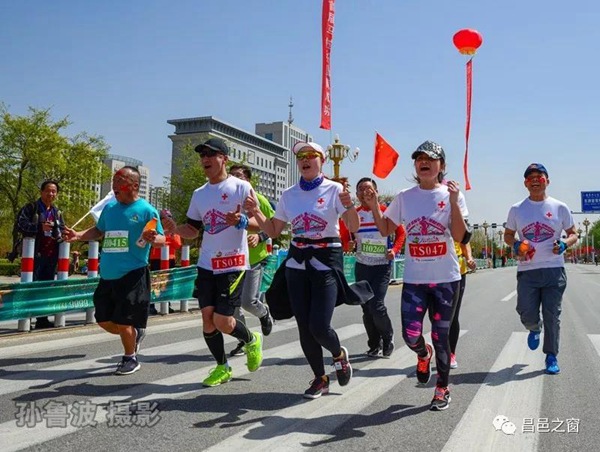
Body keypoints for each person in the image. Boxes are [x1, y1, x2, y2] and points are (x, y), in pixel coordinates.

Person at [243, 141, 371, 400]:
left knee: (319, 326)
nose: (305, 159)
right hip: (297, 263)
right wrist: (255, 211)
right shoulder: (289, 194)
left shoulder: (335, 189)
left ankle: (338, 355)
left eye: (311, 155)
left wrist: (349, 206)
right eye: (301, 156)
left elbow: (353, 226)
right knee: (304, 326)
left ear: (322, 161)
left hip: (325, 261)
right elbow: (274, 230)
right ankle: (320, 378)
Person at [364, 140, 468, 411]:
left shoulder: (451, 194)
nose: (424, 163)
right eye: (420, 159)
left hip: (446, 279)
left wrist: (454, 203)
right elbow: (386, 229)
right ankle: (423, 354)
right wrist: (374, 206)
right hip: (415, 281)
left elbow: (460, 236)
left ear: (441, 165)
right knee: (411, 335)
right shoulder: (404, 197)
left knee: (441, 336)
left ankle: (442, 388)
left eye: (430, 159)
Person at [162, 138, 264, 387]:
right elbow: (192, 229)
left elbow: (261, 223)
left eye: (211, 154)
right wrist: (175, 229)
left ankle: (252, 339)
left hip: (233, 264)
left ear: (224, 159)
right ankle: (222, 367)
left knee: (222, 321)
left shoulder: (241, 187)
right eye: (202, 155)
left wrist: (241, 221)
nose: (205, 159)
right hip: (207, 263)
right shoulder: (199, 194)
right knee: (207, 318)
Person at [64, 166, 165, 375]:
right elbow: (98, 230)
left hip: (132, 273)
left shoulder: (146, 210)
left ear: (134, 185)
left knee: (124, 320)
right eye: (114, 181)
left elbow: (162, 239)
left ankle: (130, 358)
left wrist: (154, 238)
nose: (114, 185)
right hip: (108, 275)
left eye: (120, 181)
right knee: (103, 319)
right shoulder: (110, 208)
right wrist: (78, 235)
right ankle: (135, 334)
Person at [503, 163, 577, 375]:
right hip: (527, 270)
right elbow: (508, 235)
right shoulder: (517, 209)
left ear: (547, 181)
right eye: (531, 178)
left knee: (552, 315)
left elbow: (573, 233)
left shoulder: (560, 207)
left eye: (540, 177)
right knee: (526, 312)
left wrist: (564, 244)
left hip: (554, 270)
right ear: (525, 183)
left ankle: (551, 355)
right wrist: (516, 244)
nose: (535, 181)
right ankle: (534, 327)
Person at [340, 177, 406, 358]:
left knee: (376, 305)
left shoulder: (385, 211)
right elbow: (344, 238)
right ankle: (374, 344)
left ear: (376, 192)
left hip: (382, 267)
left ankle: (388, 337)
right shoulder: (354, 214)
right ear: (357, 194)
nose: (365, 192)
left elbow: (401, 233)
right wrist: (348, 245)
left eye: (368, 189)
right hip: (362, 266)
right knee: (366, 307)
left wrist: (394, 250)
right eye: (361, 189)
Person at [228, 164, 275, 357]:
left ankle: (264, 313)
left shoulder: (259, 200)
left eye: (239, 176)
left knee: (248, 302)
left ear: (248, 180)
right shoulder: (227, 200)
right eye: (232, 176)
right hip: (232, 259)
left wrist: (260, 236)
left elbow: (274, 227)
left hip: (254, 259)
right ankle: (244, 339)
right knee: (233, 305)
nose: (235, 179)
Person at [16, 180, 65, 329]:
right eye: (48, 191)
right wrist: (39, 227)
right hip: (34, 255)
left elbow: (62, 229)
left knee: (46, 288)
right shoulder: (31, 208)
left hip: (51, 255)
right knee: (31, 287)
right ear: (41, 192)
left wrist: (63, 232)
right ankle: (26, 319)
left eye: (54, 191)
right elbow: (20, 224)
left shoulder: (57, 212)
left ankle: (42, 319)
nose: (51, 194)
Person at [448, 241, 476, 368]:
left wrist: (469, 258)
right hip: (436, 273)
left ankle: (450, 353)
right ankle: (440, 349)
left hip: (458, 273)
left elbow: (465, 241)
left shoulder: (457, 227)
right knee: (435, 316)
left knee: (453, 316)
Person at [149, 209, 182, 315]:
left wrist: (171, 235)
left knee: (168, 283)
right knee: (155, 283)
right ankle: (151, 306)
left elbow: (178, 244)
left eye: (169, 217)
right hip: (156, 259)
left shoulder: (174, 230)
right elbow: (153, 242)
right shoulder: (155, 228)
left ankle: (167, 305)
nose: (167, 220)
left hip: (170, 259)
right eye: (164, 218)